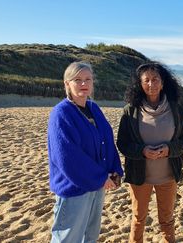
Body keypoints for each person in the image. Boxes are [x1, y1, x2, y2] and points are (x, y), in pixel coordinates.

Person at [48, 62, 123, 242]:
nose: (84, 84)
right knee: (67, 238)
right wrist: (100, 177)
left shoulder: (93, 108)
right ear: (67, 84)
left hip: (97, 185)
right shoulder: (61, 113)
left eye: (87, 79)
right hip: (74, 188)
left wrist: (115, 170)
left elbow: (107, 139)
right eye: (78, 80)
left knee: (90, 236)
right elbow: (67, 157)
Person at [117, 62, 183, 243]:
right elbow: (122, 143)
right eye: (146, 80)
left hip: (168, 175)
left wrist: (169, 149)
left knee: (167, 219)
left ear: (163, 82)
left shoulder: (176, 109)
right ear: (139, 84)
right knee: (138, 219)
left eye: (155, 79)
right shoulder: (130, 111)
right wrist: (142, 151)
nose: (151, 84)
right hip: (140, 177)